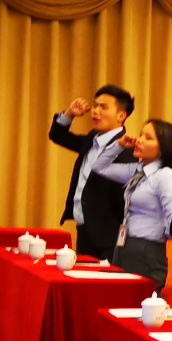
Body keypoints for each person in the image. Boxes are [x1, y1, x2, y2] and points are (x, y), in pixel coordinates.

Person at [93, 120, 172, 288]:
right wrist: (118, 145)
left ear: (163, 148)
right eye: (140, 134)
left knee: (143, 298)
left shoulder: (165, 176)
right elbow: (99, 167)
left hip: (147, 249)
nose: (139, 140)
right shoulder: (137, 171)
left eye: (148, 138)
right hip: (125, 244)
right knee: (120, 296)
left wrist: (158, 234)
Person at [49, 84, 133, 258]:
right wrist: (70, 114)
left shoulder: (126, 149)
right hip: (85, 230)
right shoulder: (92, 139)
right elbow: (57, 135)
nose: (95, 111)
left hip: (109, 238)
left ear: (121, 115)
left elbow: (125, 198)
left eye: (103, 107)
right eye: (95, 105)